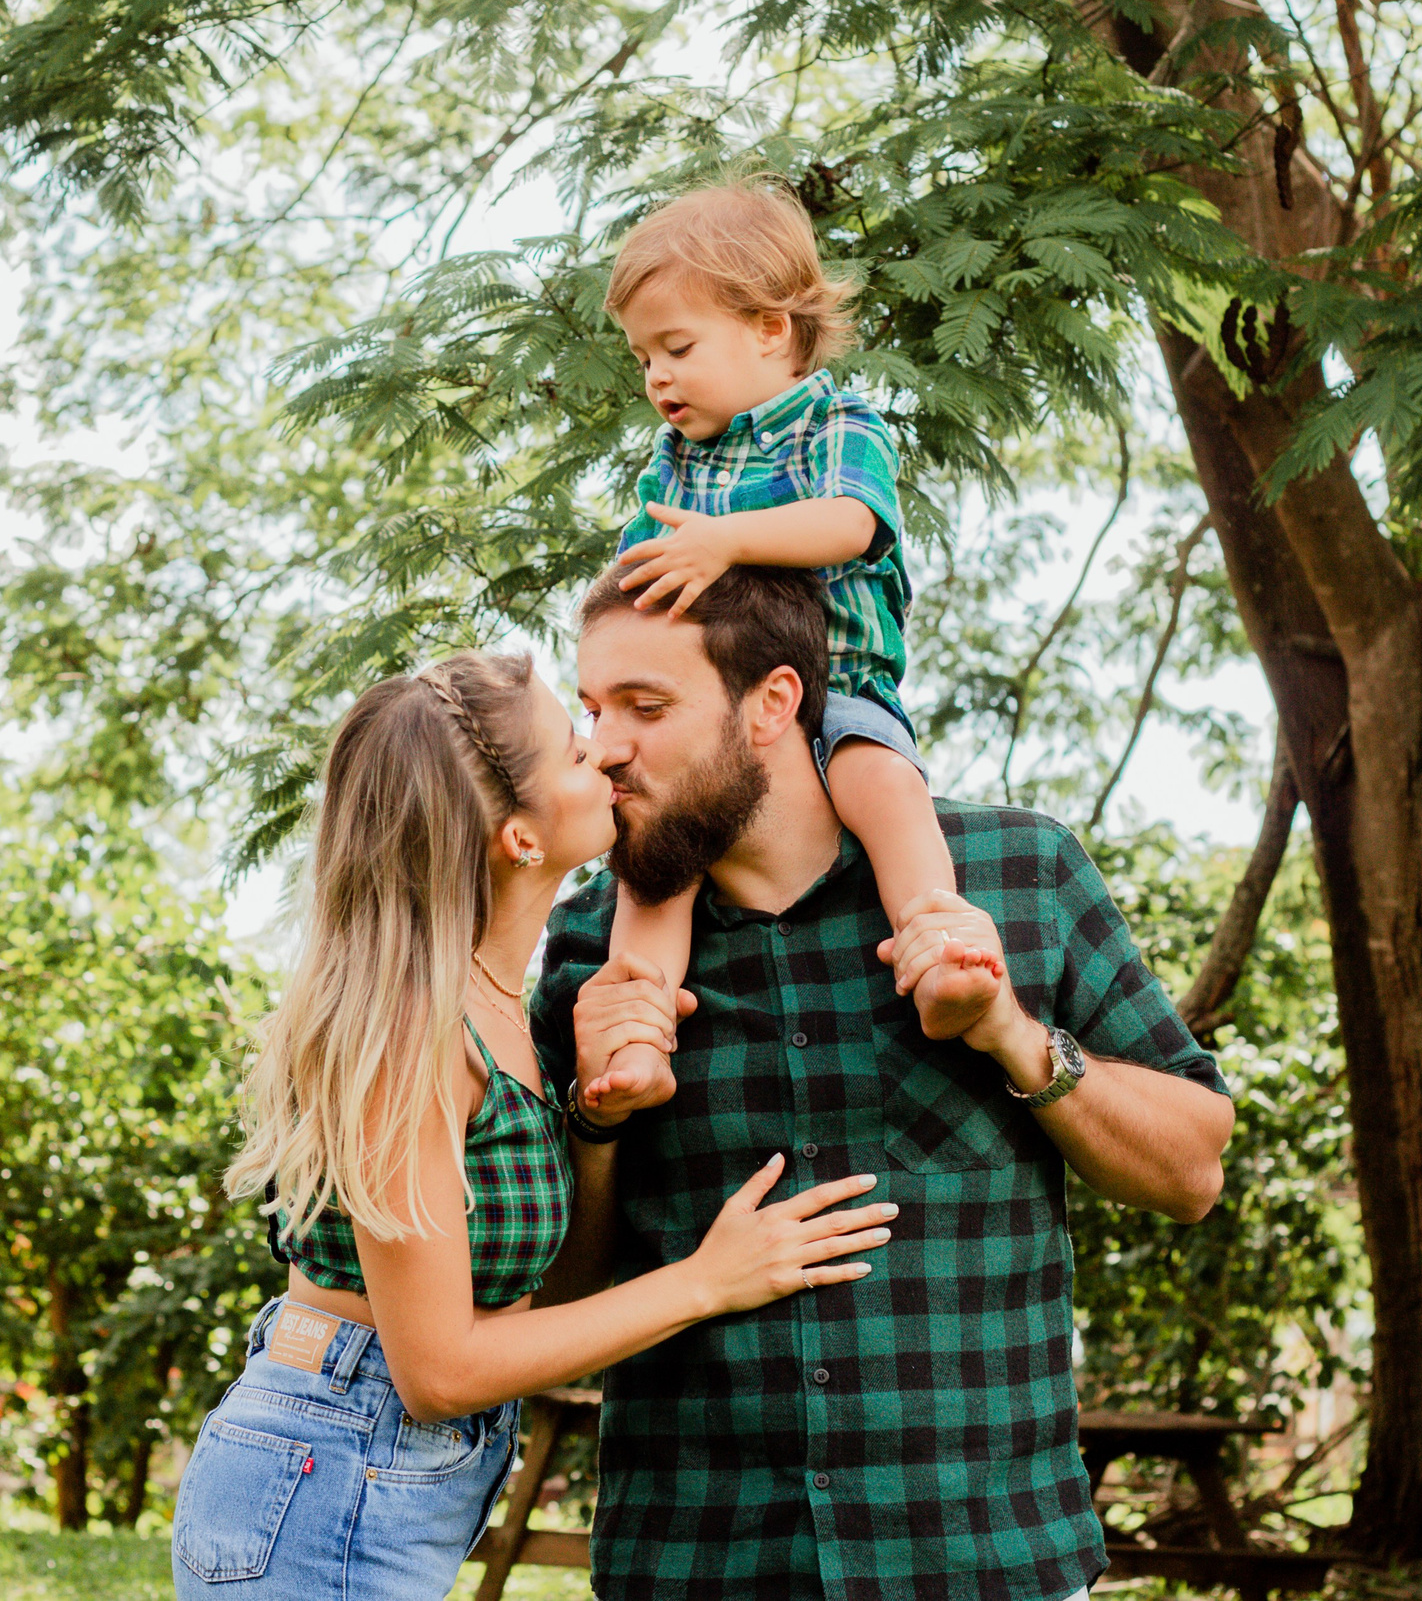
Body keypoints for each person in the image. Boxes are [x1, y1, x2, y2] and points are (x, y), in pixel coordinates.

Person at [536, 565, 1238, 1601]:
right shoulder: (597, 943)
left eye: (647, 707)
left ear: (773, 702)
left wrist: (1011, 1033)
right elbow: (557, 1293)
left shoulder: (1017, 875)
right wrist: (595, 1123)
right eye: (593, 710)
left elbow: (1191, 1169)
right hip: (698, 1559)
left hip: (984, 1559)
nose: (605, 747)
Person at [174, 651, 896, 1600]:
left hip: (370, 1479)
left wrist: (595, 1129)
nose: (603, 754)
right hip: (325, 1481)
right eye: (572, 748)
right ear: (518, 836)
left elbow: (528, 1299)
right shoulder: (413, 1037)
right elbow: (438, 1369)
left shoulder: (498, 1003)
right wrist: (707, 1281)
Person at [586, 177, 997, 1122]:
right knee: (662, 852)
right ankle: (637, 1030)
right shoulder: (673, 461)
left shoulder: (837, 424)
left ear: (770, 328)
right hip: (722, 712)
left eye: (677, 347)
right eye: (644, 355)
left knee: (883, 784)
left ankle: (939, 952)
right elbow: (645, 571)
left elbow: (852, 524)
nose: (657, 376)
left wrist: (728, 540)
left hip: (838, 683)